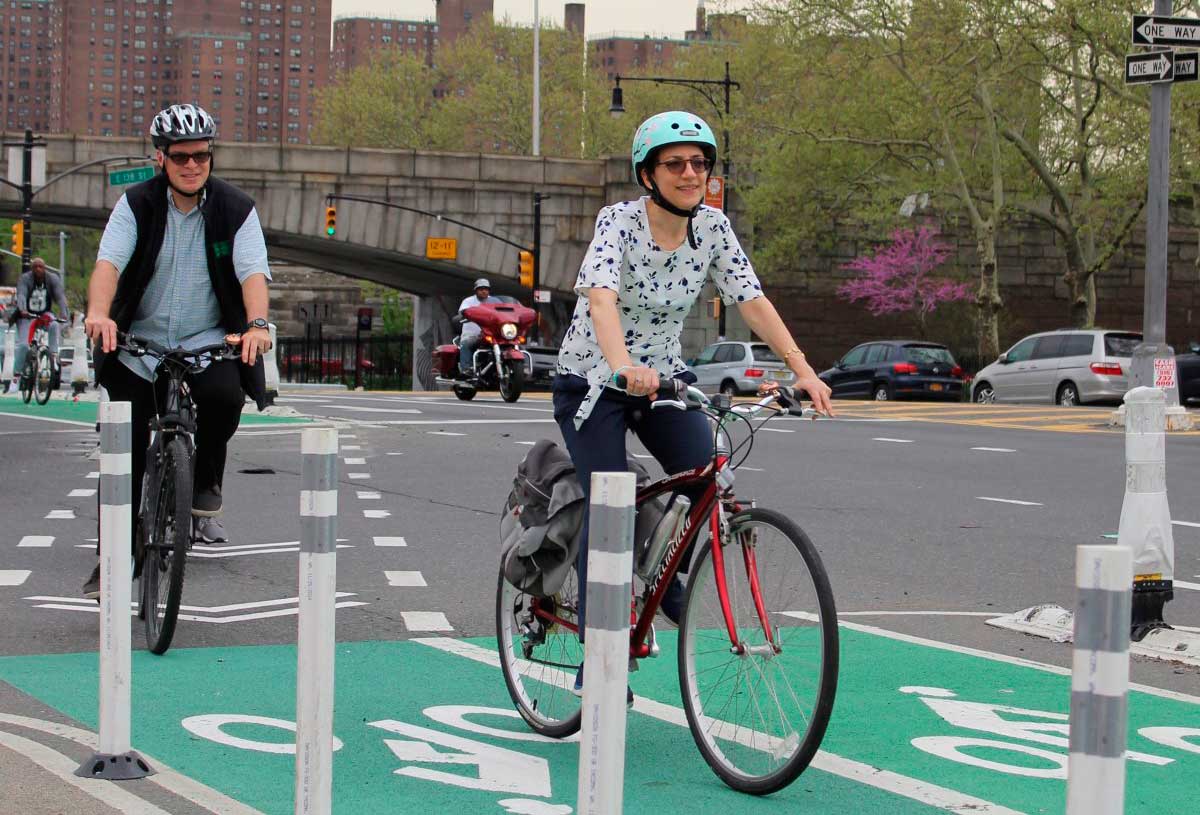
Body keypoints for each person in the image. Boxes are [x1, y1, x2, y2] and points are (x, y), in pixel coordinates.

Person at [552, 110, 834, 695]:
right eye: (675, 163)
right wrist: (623, 366)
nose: (690, 173)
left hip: (667, 380)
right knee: (611, 507)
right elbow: (602, 300)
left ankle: (668, 581)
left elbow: (751, 300)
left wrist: (803, 370)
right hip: (595, 381)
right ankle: (599, 653)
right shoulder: (619, 222)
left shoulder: (713, 228)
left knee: (705, 475)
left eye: (700, 163)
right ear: (648, 173)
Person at [81, 103, 273, 599]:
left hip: (206, 341)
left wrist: (256, 325)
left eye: (202, 156)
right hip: (137, 343)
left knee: (226, 398)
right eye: (181, 156)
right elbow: (108, 265)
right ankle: (113, 562)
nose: (192, 165)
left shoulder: (236, 209)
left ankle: (204, 481)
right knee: (124, 456)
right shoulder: (136, 204)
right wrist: (99, 314)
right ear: (160, 158)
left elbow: (253, 272)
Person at [9, 257, 69, 392]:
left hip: (44, 314)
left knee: (54, 324)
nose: (38, 269)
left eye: (40, 267)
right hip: (27, 317)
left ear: (45, 268)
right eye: (35, 267)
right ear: (32, 268)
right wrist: (22, 309)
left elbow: (60, 296)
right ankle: (16, 377)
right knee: (24, 345)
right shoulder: (25, 279)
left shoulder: (52, 279)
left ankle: (53, 355)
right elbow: (22, 295)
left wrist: (64, 312)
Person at [456, 277, 499, 375]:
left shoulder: (495, 301)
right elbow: (462, 313)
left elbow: (504, 312)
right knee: (466, 345)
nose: (484, 291)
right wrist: (467, 315)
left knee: (512, 343)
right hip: (473, 335)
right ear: (476, 290)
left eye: (486, 289)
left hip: (493, 335)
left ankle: (521, 366)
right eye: (481, 289)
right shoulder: (468, 301)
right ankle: (466, 369)